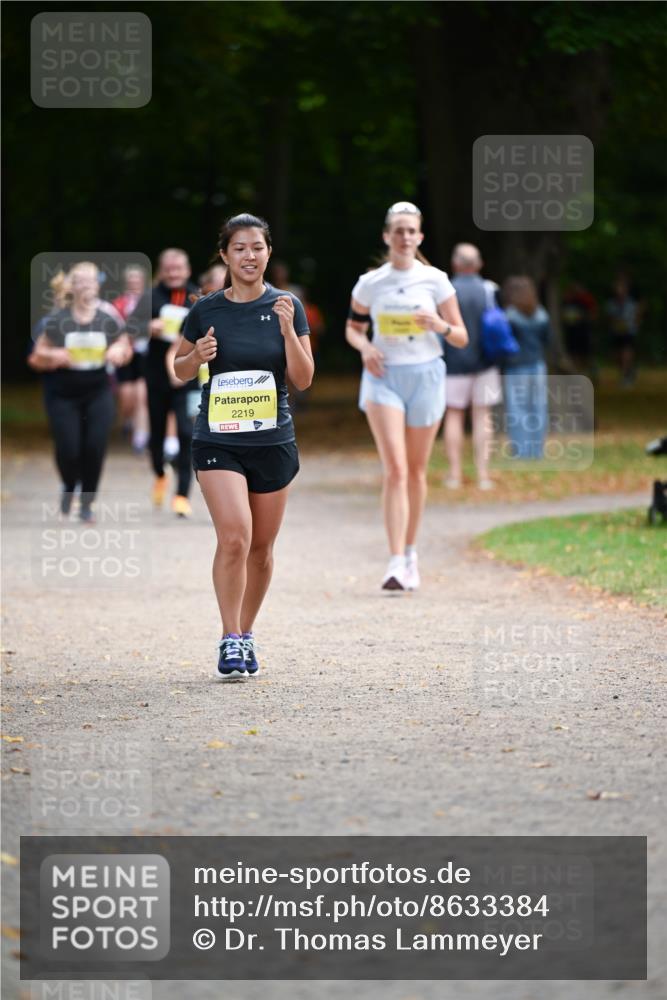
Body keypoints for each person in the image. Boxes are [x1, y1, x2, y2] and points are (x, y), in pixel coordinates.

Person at [174, 213, 313, 681]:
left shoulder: (287, 305)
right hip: (218, 440)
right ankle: (229, 638)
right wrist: (197, 356)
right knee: (235, 536)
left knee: (262, 548)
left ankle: (247, 632)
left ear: (268, 252)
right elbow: (178, 368)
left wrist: (290, 331)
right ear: (225, 255)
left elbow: (304, 377)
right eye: (239, 248)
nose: (249, 255)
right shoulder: (206, 310)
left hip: (272, 441)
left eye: (257, 247)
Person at [345, 201, 468, 591]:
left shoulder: (436, 280)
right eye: (398, 230)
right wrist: (365, 348)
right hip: (384, 378)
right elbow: (352, 328)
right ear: (387, 236)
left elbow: (462, 336)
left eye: (411, 230)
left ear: (420, 237)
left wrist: (440, 325)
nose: (404, 236)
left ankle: (411, 552)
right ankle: (395, 560)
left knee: (415, 471)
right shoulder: (371, 283)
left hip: (427, 375)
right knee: (395, 469)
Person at [27, 261, 132, 520]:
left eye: (90, 280)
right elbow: (36, 356)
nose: (86, 285)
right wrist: (54, 354)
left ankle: (86, 503)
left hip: (98, 390)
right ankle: (68, 484)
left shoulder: (107, 315)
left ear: (98, 285)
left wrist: (119, 351)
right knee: (69, 447)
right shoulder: (57, 318)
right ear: (71, 286)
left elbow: (124, 346)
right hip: (62, 394)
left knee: (95, 446)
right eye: (80, 280)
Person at [127, 248, 199, 517]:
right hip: (156, 374)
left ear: (187, 270)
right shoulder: (150, 296)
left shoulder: (197, 297)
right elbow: (130, 328)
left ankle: (181, 495)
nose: (174, 273)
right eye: (169, 268)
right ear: (162, 269)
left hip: (187, 375)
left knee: (186, 433)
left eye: (178, 268)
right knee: (156, 434)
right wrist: (148, 327)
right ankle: (159, 472)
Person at [442, 243, 503, 490]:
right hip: (486, 363)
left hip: (453, 364)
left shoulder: (445, 291)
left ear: (455, 264)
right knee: (483, 416)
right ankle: (483, 475)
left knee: (454, 415)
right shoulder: (490, 290)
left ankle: (455, 475)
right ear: (478, 264)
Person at [501, 276, 552, 460]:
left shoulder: (509, 316)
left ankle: (521, 451)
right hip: (538, 365)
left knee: (517, 408)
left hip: (516, 367)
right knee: (538, 408)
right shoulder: (541, 314)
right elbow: (548, 340)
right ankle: (537, 450)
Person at [112, 265, 150, 452]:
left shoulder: (151, 301)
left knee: (142, 396)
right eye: (131, 279)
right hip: (126, 352)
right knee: (127, 397)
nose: (134, 282)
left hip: (145, 354)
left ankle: (140, 438)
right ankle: (127, 419)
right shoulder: (118, 304)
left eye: (138, 279)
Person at [605, 273, 643, 387]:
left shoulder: (631, 303)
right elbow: (610, 318)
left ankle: (625, 376)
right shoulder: (611, 304)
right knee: (617, 356)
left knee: (626, 354)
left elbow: (637, 316)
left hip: (628, 333)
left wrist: (634, 326)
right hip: (616, 333)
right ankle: (628, 371)